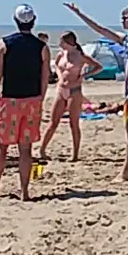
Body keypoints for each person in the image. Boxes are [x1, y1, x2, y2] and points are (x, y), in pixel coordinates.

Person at [65, 2, 128, 181]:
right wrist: (78, 13)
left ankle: (125, 172)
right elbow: (100, 29)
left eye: (125, 18)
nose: (122, 21)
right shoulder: (125, 40)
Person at [0, 4, 50, 202]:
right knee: (25, 148)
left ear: (15, 20)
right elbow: (45, 76)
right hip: (31, 100)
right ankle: (24, 191)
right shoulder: (42, 47)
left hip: (10, 99)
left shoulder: (4, 43)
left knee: (1, 146)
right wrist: (41, 96)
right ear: (33, 21)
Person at [40, 31, 102, 161]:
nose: (59, 44)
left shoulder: (80, 56)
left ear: (68, 42)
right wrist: (59, 74)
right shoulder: (61, 54)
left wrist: (83, 76)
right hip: (61, 90)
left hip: (74, 91)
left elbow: (98, 66)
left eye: (62, 42)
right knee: (53, 122)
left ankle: (75, 154)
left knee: (74, 123)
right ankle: (42, 150)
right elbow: (57, 65)